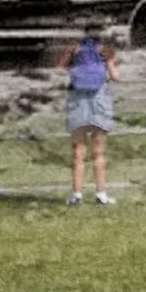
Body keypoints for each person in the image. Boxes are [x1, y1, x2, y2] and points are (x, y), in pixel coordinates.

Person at [56, 22, 120, 206]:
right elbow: (116, 76)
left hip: (77, 100)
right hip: (99, 100)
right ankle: (101, 193)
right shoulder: (106, 51)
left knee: (78, 151)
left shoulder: (73, 50)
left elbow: (59, 70)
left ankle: (77, 194)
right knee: (99, 152)